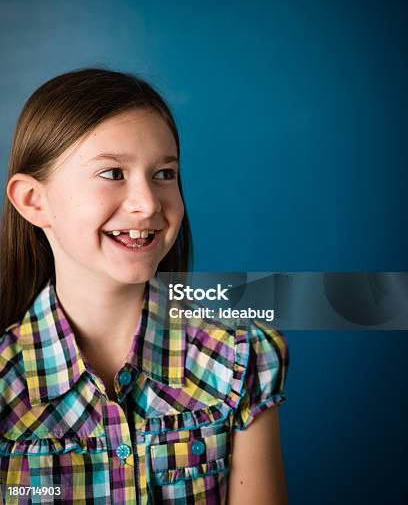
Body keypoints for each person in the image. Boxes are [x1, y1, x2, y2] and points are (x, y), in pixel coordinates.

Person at [0, 68, 289, 504]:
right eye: (113, 173)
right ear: (33, 200)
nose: (148, 203)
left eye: (165, 174)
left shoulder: (241, 358)